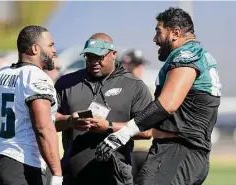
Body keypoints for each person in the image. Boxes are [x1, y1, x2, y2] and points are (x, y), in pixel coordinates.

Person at [94, 7, 222, 185]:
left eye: (158, 32)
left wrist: (123, 133)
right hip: (186, 154)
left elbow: (167, 104)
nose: (155, 39)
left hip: (176, 153)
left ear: (175, 33)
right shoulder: (202, 56)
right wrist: (112, 128)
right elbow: (162, 124)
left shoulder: (186, 55)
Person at [54, 33, 152, 185]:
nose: (94, 62)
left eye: (99, 57)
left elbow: (147, 131)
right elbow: (48, 122)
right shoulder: (66, 83)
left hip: (115, 177)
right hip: (73, 176)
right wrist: (70, 121)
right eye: (89, 57)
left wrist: (109, 127)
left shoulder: (134, 86)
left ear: (113, 54)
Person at [0, 25, 63, 185]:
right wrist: (57, 173)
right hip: (23, 165)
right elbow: (43, 128)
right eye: (50, 45)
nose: (54, 50)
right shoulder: (35, 77)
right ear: (35, 49)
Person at [119, 49, 153, 178]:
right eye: (135, 65)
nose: (139, 69)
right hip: (125, 150)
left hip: (147, 150)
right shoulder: (116, 91)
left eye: (140, 65)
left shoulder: (149, 90)